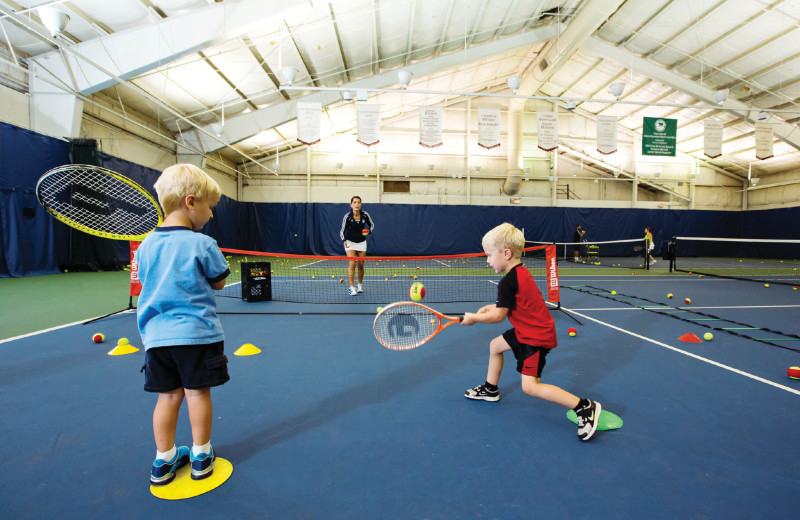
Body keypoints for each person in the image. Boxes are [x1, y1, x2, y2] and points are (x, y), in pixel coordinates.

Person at [461, 223, 602, 442]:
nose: (487, 260)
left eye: (489, 255)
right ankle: (490, 389)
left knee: (530, 387)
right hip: (527, 330)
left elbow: (499, 316)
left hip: (535, 337)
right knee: (495, 346)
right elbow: (510, 305)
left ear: (506, 253)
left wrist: (474, 318)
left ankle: (584, 407)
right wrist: (492, 306)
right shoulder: (520, 273)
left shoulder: (508, 281)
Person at [136, 164, 231, 485]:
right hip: (197, 336)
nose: (212, 215)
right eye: (210, 207)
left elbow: (149, 283)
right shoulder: (202, 243)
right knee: (196, 393)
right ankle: (201, 454)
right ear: (191, 202)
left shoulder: (145, 245)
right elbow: (219, 282)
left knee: (168, 397)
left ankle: (163, 460)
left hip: (156, 339)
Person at [339, 195, 374, 296]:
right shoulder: (347, 217)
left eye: (358, 202)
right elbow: (342, 230)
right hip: (350, 242)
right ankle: (351, 287)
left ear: (361, 204)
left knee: (361, 265)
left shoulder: (365, 215)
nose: (356, 204)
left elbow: (372, 225)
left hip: (362, 242)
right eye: (354, 202)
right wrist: (343, 240)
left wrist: (369, 231)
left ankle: (359, 286)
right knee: (352, 263)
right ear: (351, 205)